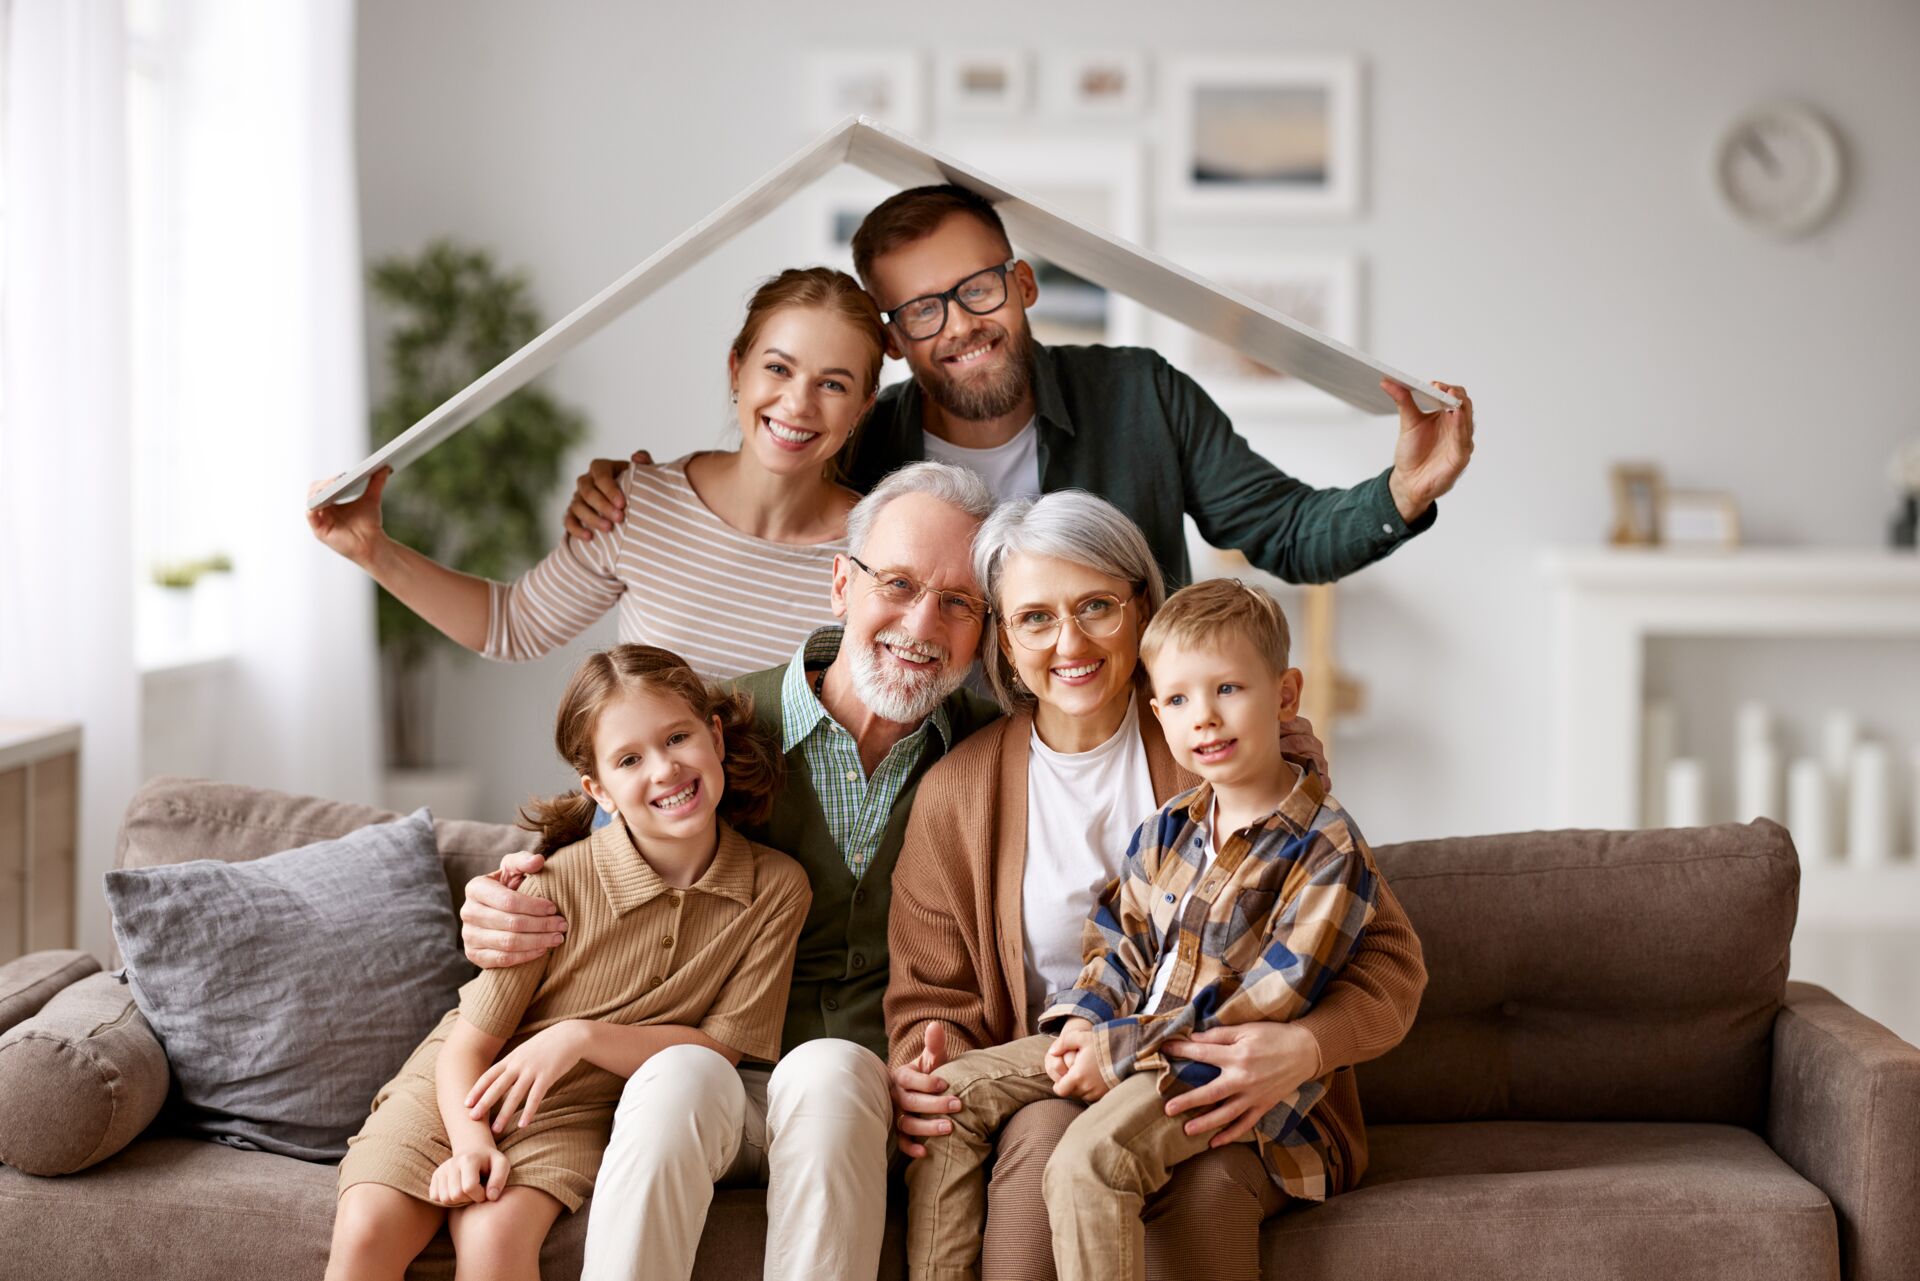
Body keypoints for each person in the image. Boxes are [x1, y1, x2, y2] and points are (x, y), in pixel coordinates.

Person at [460, 462, 1004, 1281]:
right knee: (681, 1069)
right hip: (702, 1072)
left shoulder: (992, 751)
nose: (922, 622)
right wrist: (500, 889)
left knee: (829, 1071)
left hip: (862, 1098)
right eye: (897, 583)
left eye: (959, 602)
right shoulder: (714, 733)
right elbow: (599, 838)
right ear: (840, 585)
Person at [886, 493, 1424, 1279]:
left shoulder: (1226, 755)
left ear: (1143, 605)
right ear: (1004, 638)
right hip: (1065, 1056)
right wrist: (933, 1062)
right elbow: (933, 999)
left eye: (1097, 606)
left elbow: (1386, 962)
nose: (1068, 641)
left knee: (1181, 1184)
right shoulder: (958, 793)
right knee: (1035, 1141)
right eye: (1035, 618)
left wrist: (1305, 1047)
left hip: (1227, 1068)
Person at [563, 184, 1476, 592]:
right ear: (891, 339)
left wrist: (1402, 493)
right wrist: (634, 494)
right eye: (922, 310)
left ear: (1024, 284)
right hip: (942, 778)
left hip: (1128, 742)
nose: (958, 324)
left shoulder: (1140, 395)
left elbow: (1283, 530)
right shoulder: (867, 445)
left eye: (977, 289)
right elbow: (753, 504)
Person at [325, 645, 811, 1281]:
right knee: (367, 1233)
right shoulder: (552, 885)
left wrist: (577, 1039)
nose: (664, 769)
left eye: (678, 737)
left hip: (573, 1115)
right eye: (630, 759)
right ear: (598, 789)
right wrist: (470, 1147)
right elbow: (465, 1049)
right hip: (458, 1096)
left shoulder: (777, 889)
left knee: (496, 1240)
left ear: (715, 737)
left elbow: (717, 1052)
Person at [307, 266, 885, 681]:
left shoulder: (876, 553)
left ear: (863, 405)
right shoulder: (638, 506)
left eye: (833, 384)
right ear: (737, 369)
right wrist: (371, 550)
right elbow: (514, 625)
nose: (798, 403)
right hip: (633, 837)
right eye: (777, 368)